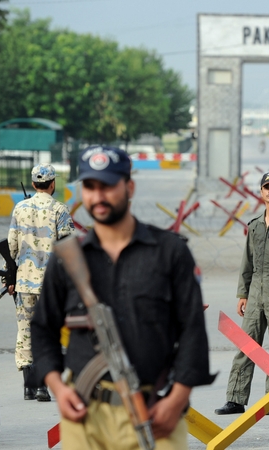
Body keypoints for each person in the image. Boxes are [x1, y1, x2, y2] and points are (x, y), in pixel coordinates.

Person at [30, 146, 215, 449]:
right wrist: (57, 388)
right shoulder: (67, 258)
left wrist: (179, 397)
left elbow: (193, 329)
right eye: (89, 186)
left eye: (108, 185)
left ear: (129, 187)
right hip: (86, 419)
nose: (98, 196)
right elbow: (42, 329)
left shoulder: (169, 252)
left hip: (156, 411)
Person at [215, 171, 269, 416]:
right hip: (256, 289)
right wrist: (243, 293)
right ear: (261, 191)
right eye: (267, 187)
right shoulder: (254, 225)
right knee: (247, 344)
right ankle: (235, 398)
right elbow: (247, 261)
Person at [7, 163, 74, 402]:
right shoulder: (60, 209)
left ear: (34, 184)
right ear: (52, 183)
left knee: (25, 332)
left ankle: (28, 386)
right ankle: (43, 388)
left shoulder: (20, 208)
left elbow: (11, 247)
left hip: (24, 283)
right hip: (50, 287)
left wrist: (10, 277)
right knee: (48, 335)